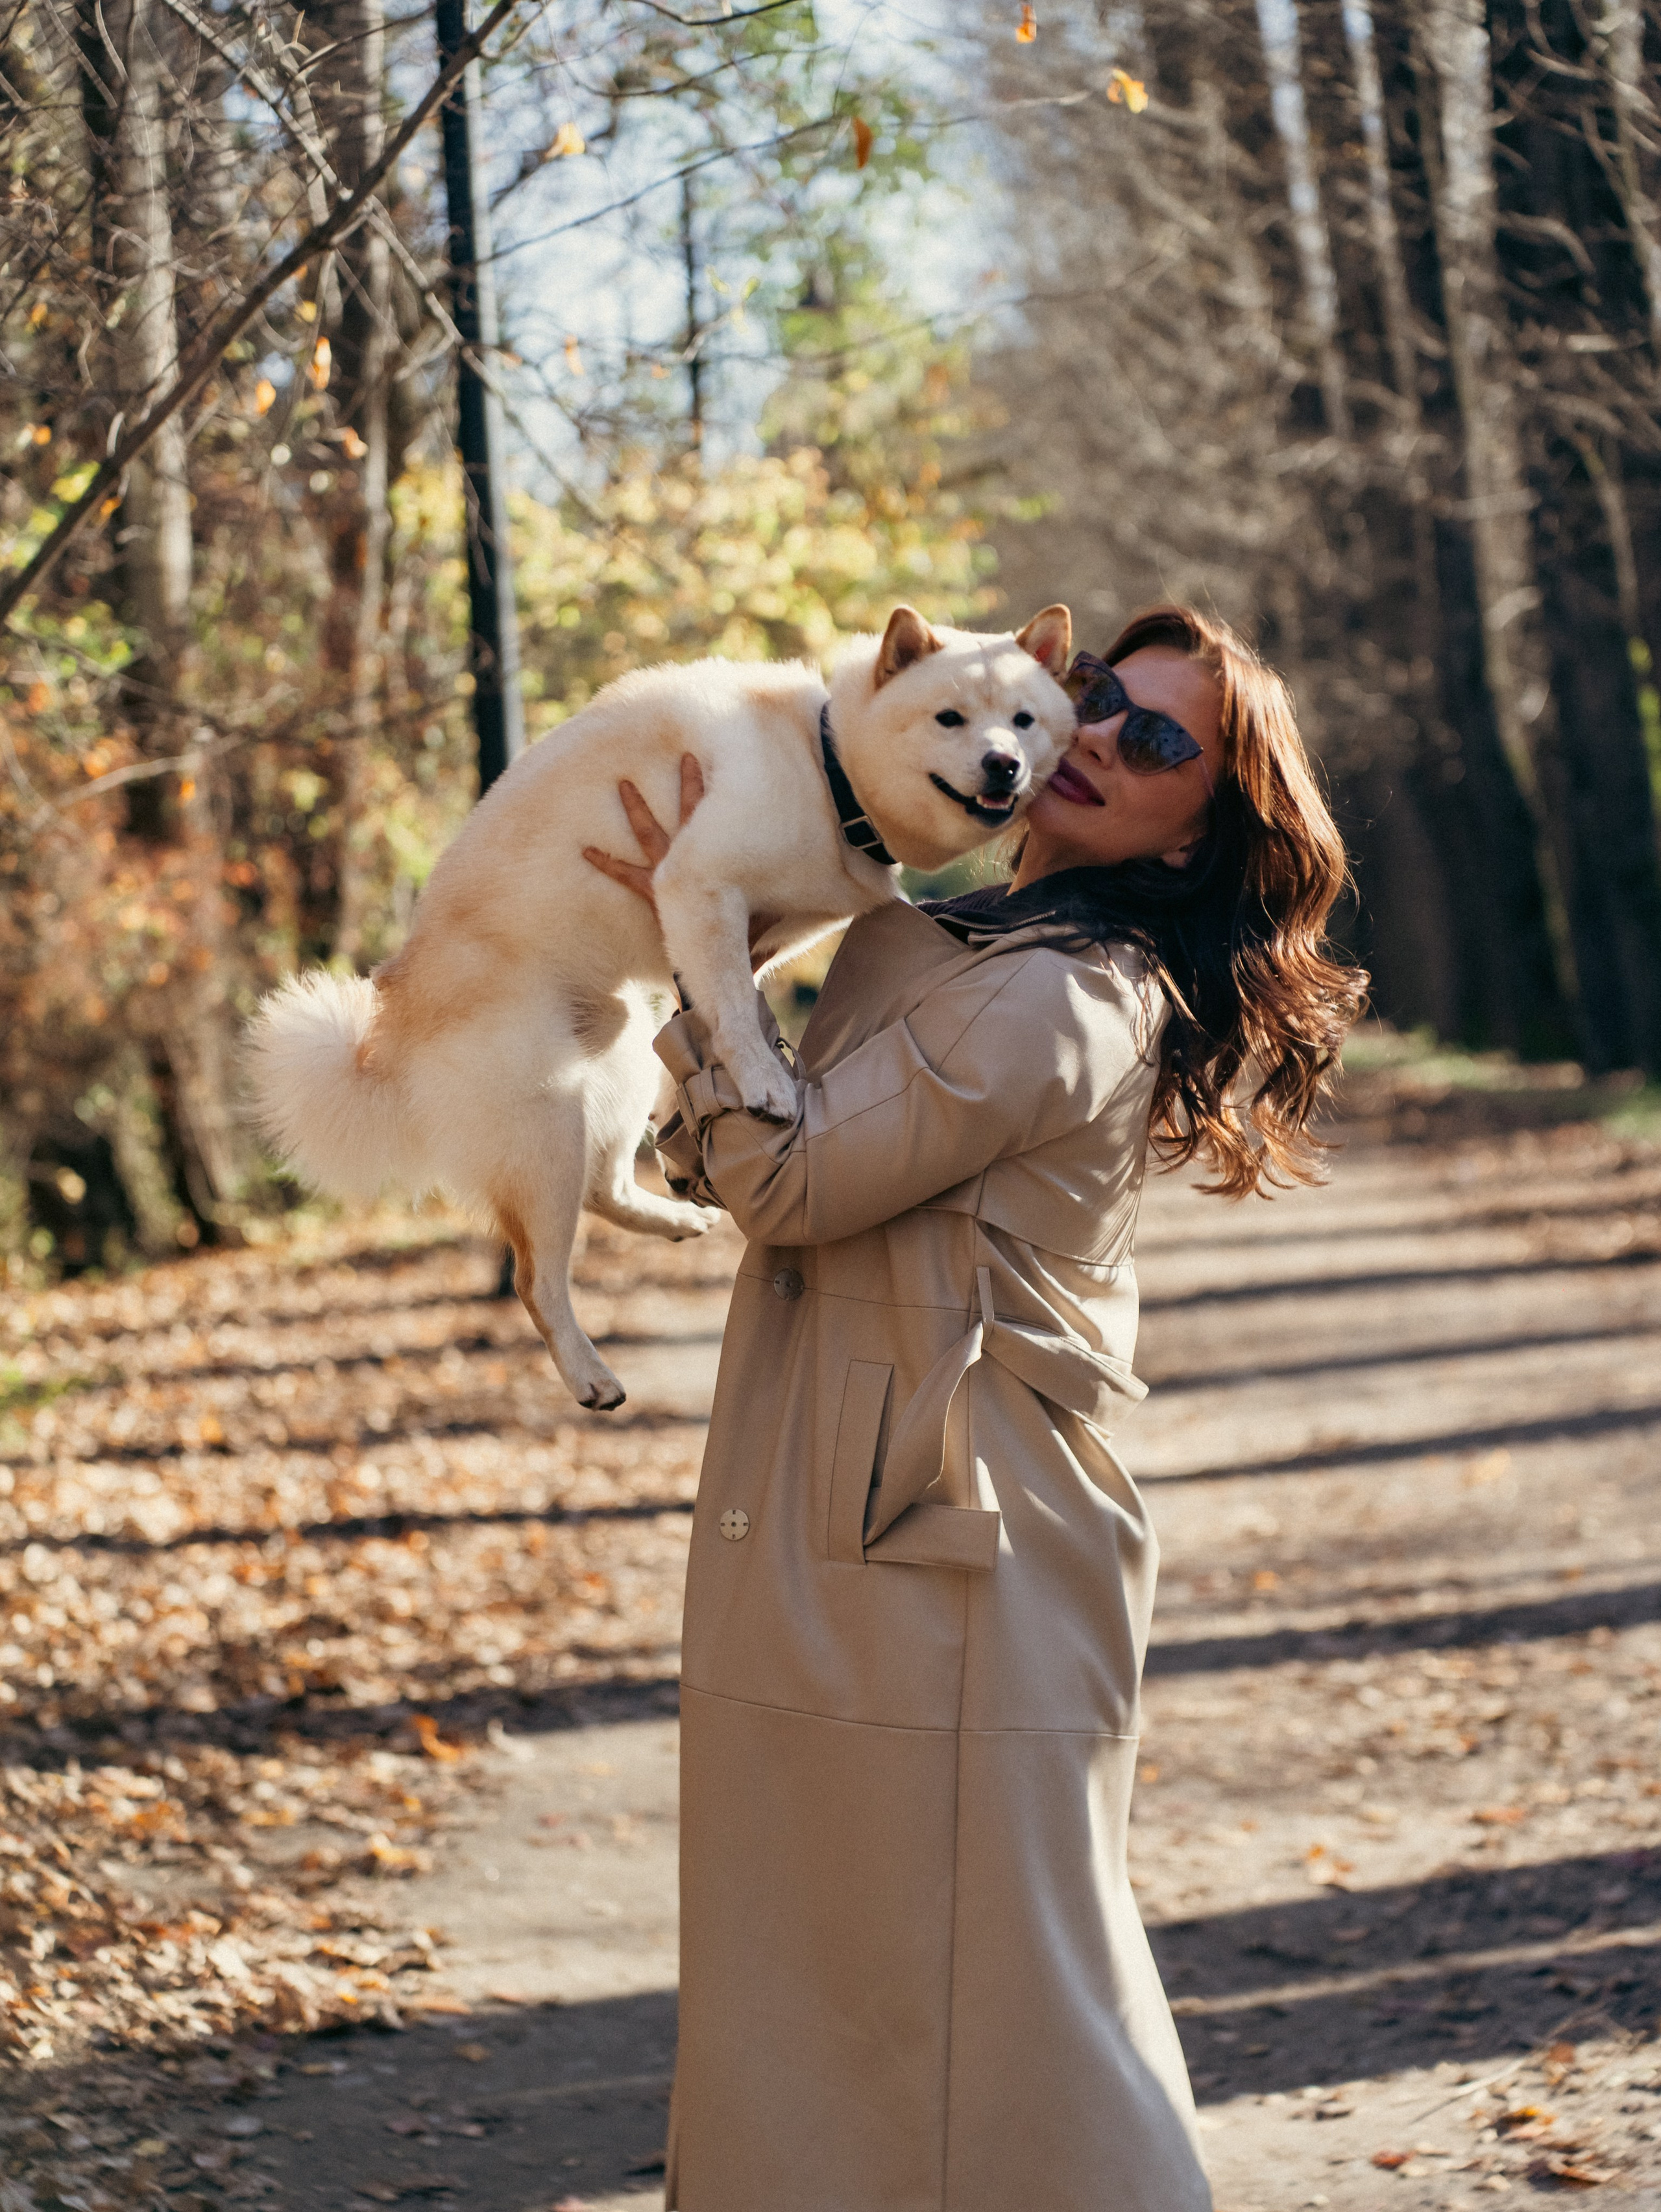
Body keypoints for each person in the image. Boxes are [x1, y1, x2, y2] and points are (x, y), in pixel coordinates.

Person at [583, 605, 1367, 2212]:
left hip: (950, 1547)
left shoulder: (1060, 999)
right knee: (842, 1996)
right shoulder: (948, 938)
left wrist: (702, 934)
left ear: (1194, 832)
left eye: (1153, 741)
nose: (1086, 739)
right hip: (862, 1515)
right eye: (1094, 701)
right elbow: (730, 1157)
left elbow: (785, 1174)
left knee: (1006, 2013)